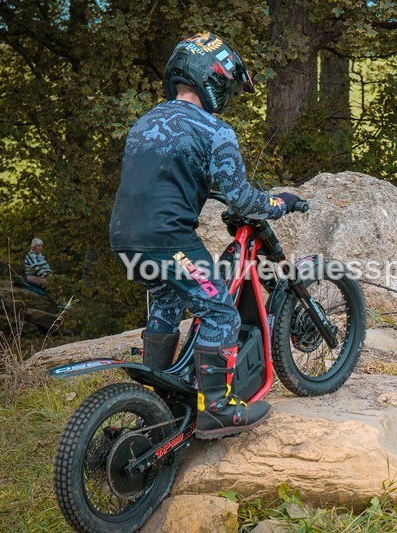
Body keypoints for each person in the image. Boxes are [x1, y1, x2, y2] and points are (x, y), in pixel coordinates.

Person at [109, 32, 302, 440]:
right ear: (213, 79)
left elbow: (168, 178)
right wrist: (281, 202)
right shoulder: (214, 130)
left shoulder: (146, 123)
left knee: (165, 299)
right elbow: (245, 200)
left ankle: (155, 396)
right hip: (169, 240)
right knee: (219, 312)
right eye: (229, 85)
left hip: (126, 238)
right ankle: (216, 407)